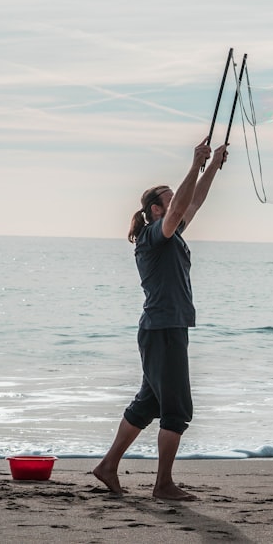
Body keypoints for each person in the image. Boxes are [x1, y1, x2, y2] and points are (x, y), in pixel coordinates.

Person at [93, 138, 228, 501]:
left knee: (148, 404)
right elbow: (182, 205)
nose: (177, 204)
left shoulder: (169, 233)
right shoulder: (155, 236)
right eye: (169, 200)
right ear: (155, 210)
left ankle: (107, 466)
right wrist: (193, 164)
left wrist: (212, 165)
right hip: (163, 330)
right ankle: (163, 485)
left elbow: (193, 202)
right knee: (178, 409)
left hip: (164, 329)